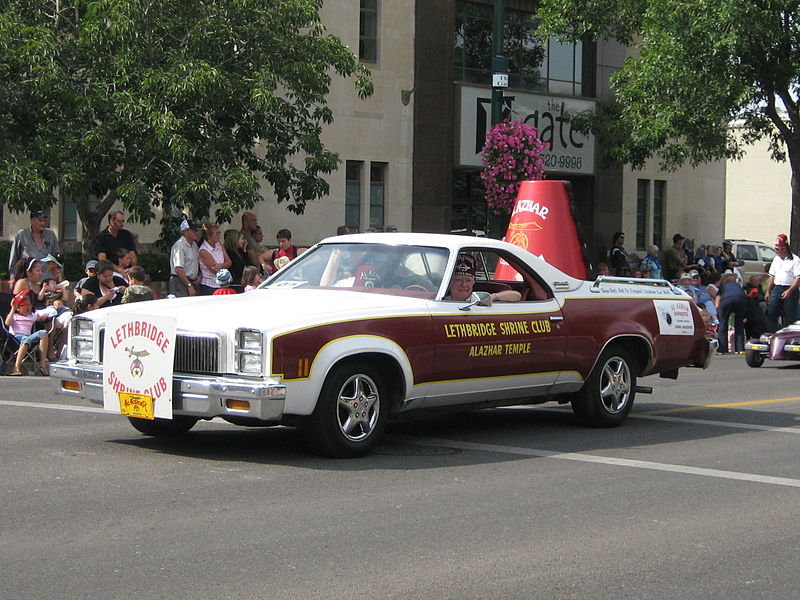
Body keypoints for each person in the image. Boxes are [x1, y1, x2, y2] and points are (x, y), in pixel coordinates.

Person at [5, 291, 53, 376]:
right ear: (18, 307)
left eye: (29, 305)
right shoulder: (15, 316)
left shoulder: (32, 315)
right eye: (24, 305)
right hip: (15, 338)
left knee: (44, 333)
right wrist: (12, 308)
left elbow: (42, 317)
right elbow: (7, 323)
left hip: (28, 337)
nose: (28, 307)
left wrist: (47, 316)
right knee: (25, 339)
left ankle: (42, 364)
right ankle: (16, 368)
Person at [445, 253, 521, 302]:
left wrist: (494, 297)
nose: (464, 285)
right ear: (450, 281)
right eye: (458, 280)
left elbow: (517, 296)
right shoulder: (441, 300)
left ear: (473, 282)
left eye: (468, 280)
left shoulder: (478, 299)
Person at [7, 210, 62, 279]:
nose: (43, 223)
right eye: (40, 220)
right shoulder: (21, 235)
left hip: (47, 279)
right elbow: (14, 258)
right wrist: (13, 278)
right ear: (32, 221)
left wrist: (59, 275)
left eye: (44, 221)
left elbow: (57, 258)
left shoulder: (50, 234)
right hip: (28, 279)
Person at [765, 233, 800, 329]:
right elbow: (772, 276)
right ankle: (772, 334)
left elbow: (798, 278)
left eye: (777, 249)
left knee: (789, 315)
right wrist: (768, 291)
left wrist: (789, 291)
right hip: (777, 288)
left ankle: (789, 337)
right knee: (772, 312)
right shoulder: (776, 259)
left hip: (790, 289)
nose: (776, 251)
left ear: (784, 248)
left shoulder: (795, 260)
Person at [716, 271, 747, 354]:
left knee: (723, 323)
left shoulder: (723, 286)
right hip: (741, 299)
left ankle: (722, 349)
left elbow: (718, 298)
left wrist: (718, 310)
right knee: (739, 323)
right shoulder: (738, 285)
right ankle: (740, 349)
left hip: (727, 299)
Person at [169, 219, 201, 297]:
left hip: (192, 281)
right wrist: (189, 285)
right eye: (193, 230)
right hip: (180, 282)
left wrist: (199, 276)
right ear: (185, 232)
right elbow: (178, 269)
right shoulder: (179, 246)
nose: (196, 232)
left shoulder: (194, 245)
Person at [198, 222, 232, 295]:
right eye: (217, 233)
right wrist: (223, 265)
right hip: (209, 286)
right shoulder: (203, 251)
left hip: (221, 285)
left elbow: (229, 262)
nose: (219, 235)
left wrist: (220, 265)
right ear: (209, 236)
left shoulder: (219, 245)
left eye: (219, 232)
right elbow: (215, 270)